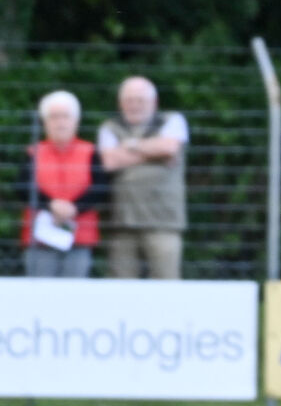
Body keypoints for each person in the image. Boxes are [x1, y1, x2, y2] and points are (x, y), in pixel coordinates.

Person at [98, 76, 188, 279]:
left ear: (154, 103)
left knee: (166, 284)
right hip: (123, 223)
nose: (134, 105)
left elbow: (169, 147)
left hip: (164, 223)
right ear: (120, 103)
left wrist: (130, 146)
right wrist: (153, 153)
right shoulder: (109, 127)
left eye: (140, 100)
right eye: (129, 100)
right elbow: (110, 161)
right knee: (122, 286)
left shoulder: (172, 120)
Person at [17, 90, 106, 278]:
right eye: (54, 117)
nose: (60, 122)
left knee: (74, 296)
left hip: (79, 236)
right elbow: (23, 187)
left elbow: (100, 188)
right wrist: (51, 205)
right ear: (45, 122)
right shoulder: (34, 152)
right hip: (41, 238)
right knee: (40, 294)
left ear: (76, 121)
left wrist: (74, 208)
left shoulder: (90, 151)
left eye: (65, 116)